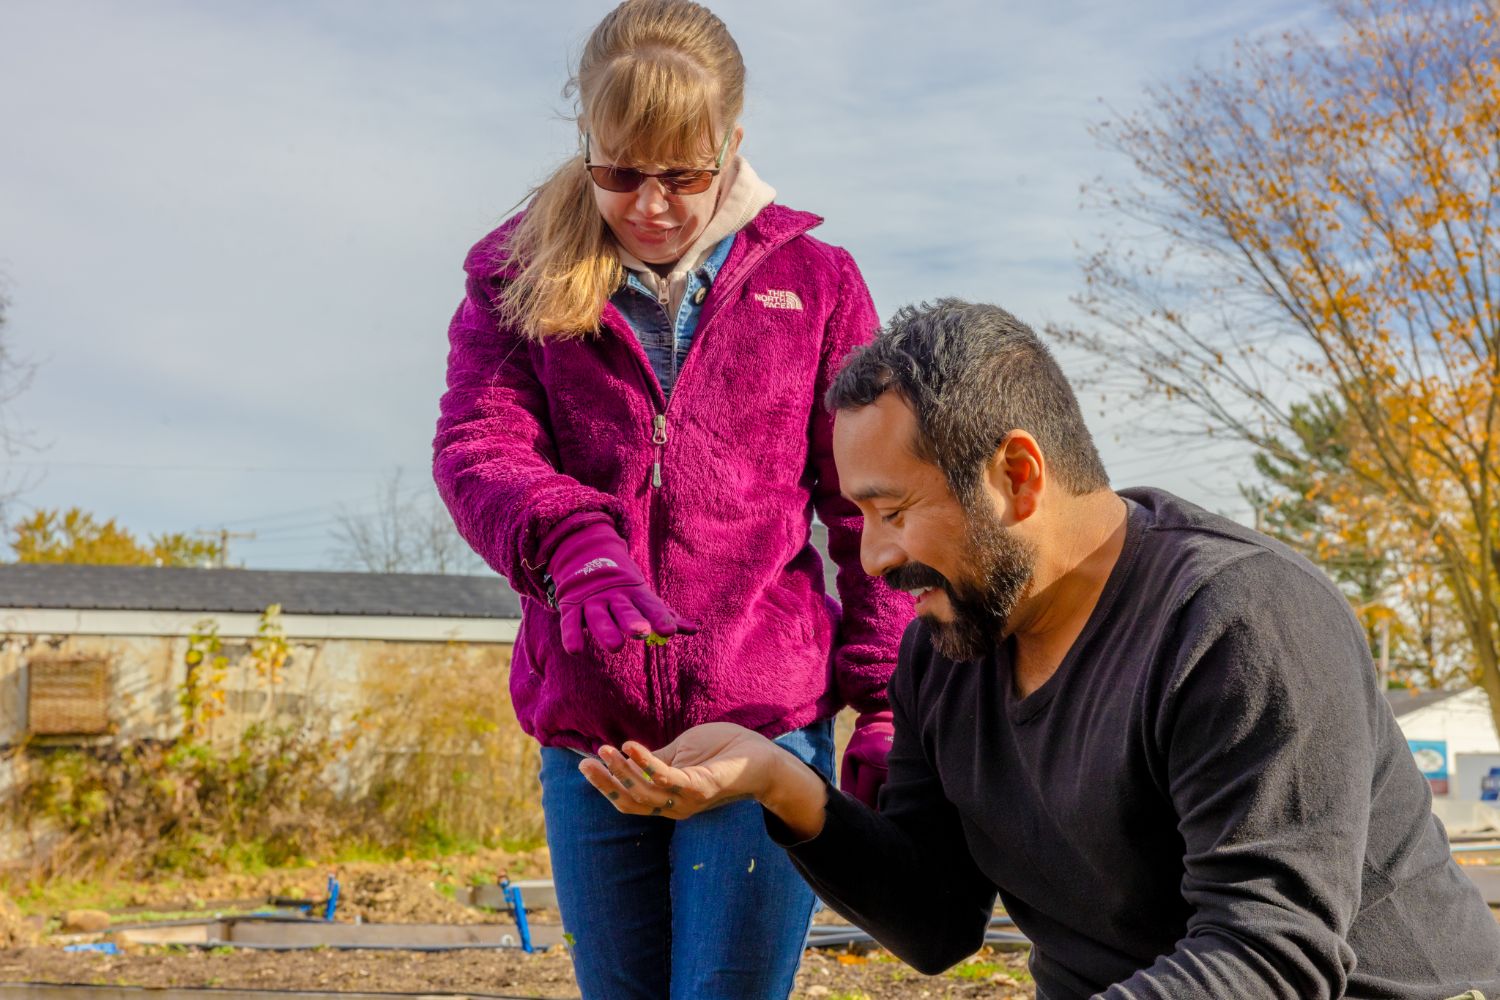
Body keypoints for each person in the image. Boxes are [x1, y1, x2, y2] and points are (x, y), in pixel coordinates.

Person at [578, 299, 1500, 999]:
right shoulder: (948, 647)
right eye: (860, 515)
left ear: (1018, 476)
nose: (874, 555)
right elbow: (938, 921)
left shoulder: (1238, 622)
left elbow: (1270, 954)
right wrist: (779, 779)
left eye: (894, 511)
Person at [431, 2, 913, 996]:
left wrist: (889, 698)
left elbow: (869, 501)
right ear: (588, 146)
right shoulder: (513, 274)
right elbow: (478, 447)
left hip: (759, 729)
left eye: (684, 175)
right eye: (620, 173)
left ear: (732, 146)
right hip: (593, 739)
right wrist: (571, 540)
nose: (650, 205)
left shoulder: (817, 286)